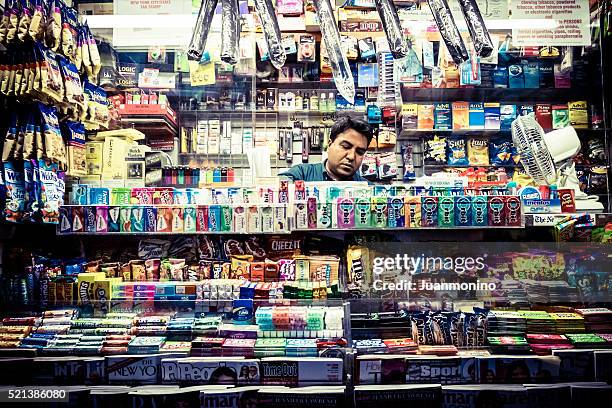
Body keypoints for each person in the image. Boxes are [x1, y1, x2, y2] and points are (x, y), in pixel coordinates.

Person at [279, 115, 373, 182]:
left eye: (360, 152)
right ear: (329, 145)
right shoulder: (302, 174)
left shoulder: (368, 189)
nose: (351, 156)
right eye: (345, 147)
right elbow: (275, 186)